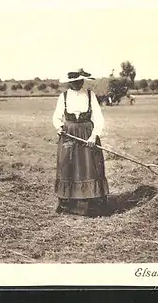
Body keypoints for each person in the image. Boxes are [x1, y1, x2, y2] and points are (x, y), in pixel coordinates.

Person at [52, 69, 110, 216]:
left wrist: (94, 136)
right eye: (74, 82)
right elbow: (56, 117)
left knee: (89, 167)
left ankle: (91, 205)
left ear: (83, 81)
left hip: (87, 135)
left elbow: (98, 118)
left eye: (79, 81)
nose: (77, 84)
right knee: (67, 166)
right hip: (69, 136)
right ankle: (67, 204)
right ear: (70, 83)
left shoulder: (90, 95)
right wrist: (59, 127)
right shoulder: (63, 97)